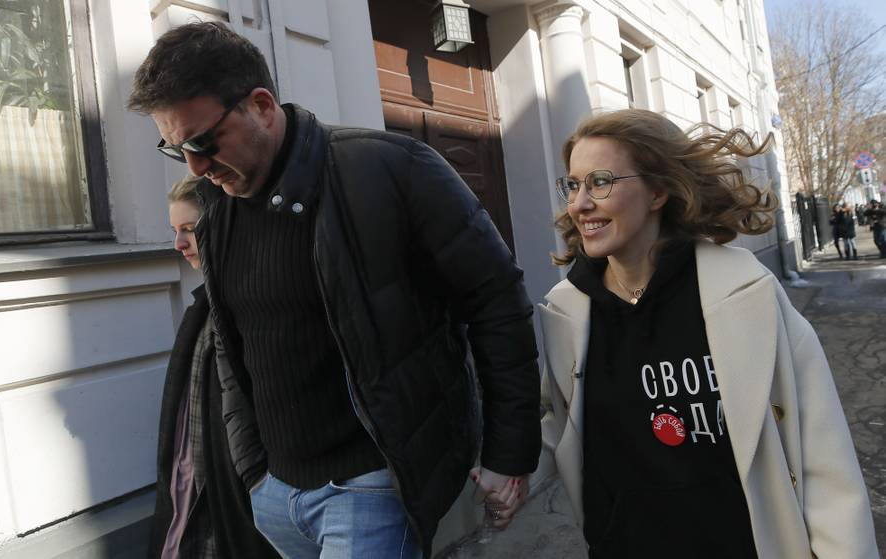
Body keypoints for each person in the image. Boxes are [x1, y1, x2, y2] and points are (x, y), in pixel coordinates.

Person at [128, 22, 540, 558]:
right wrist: (254, 468)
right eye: (176, 148)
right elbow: (234, 348)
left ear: (262, 105)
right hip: (275, 495)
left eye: (204, 142)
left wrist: (509, 451)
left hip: (369, 489)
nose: (195, 167)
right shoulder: (217, 214)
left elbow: (496, 303)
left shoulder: (391, 169)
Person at [536, 109, 878, 558]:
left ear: (657, 190)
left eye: (600, 182)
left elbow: (822, 452)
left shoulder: (743, 290)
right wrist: (504, 470)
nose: (578, 204)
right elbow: (553, 427)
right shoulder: (567, 310)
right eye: (573, 185)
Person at [151, 175, 279, 558]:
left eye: (189, 229)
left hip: (244, 490)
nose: (179, 244)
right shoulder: (203, 306)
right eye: (175, 231)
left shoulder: (252, 301)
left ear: (220, 225)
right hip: (196, 482)